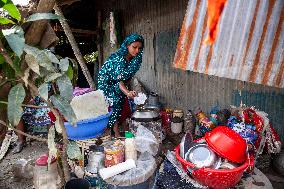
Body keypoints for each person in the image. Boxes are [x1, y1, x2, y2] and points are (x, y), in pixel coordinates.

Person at [98, 33, 144, 137]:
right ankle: (109, 131)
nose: (137, 50)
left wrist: (128, 91)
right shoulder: (119, 60)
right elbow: (119, 81)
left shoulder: (133, 59)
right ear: (127, 45)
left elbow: (126, 77)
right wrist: (127, 92)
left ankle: (118, 130)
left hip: (118, 83)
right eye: (134, 47)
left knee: (122, 100)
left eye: (139, 48)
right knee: (116, 103)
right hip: (107, 83)